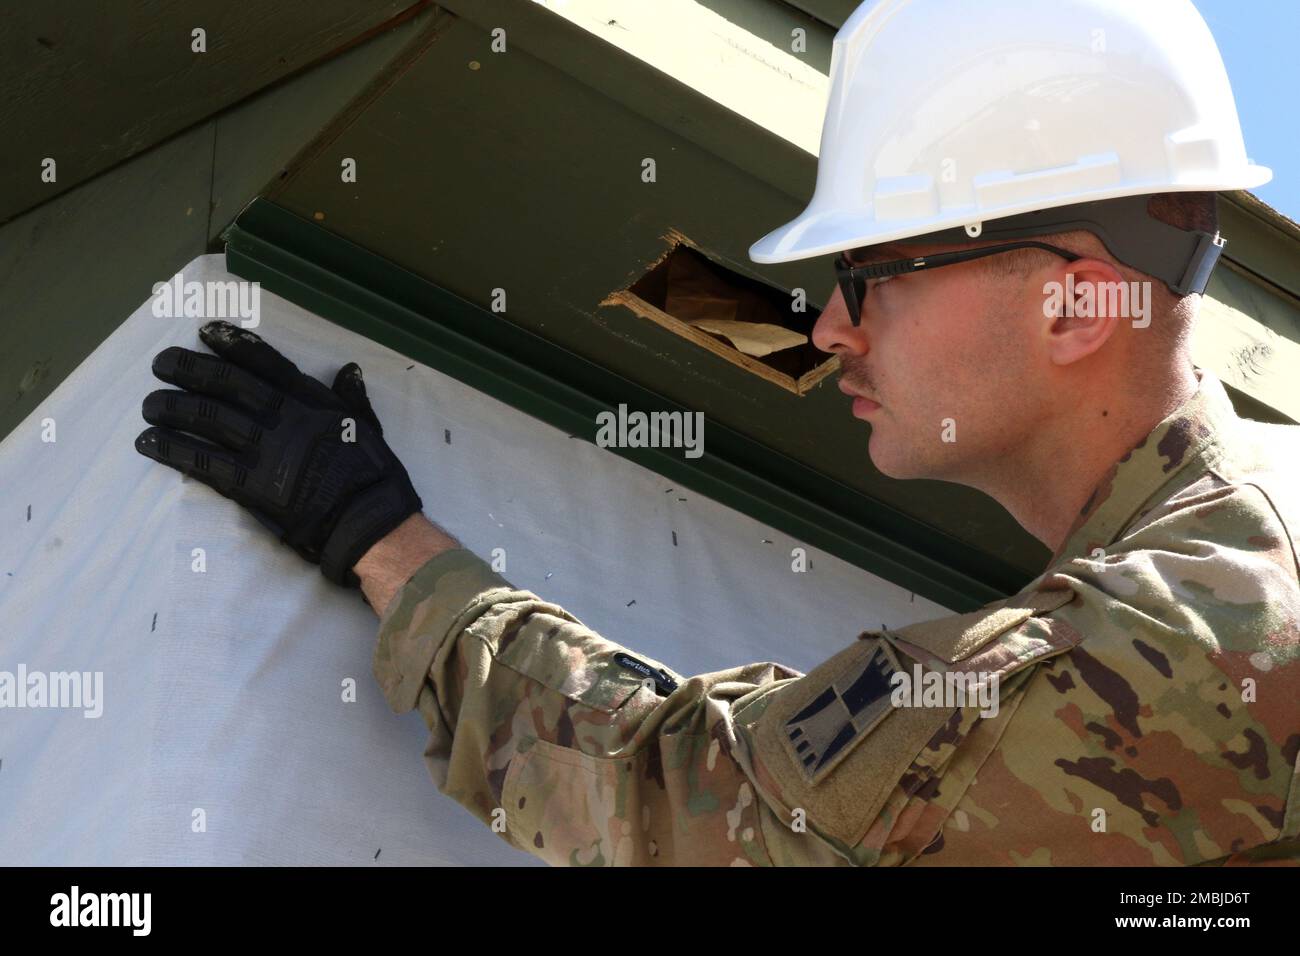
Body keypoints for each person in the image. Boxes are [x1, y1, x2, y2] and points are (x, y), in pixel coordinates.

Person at [135, 0, 1299, 865]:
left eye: (878, 271)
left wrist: (377, 536)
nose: (832, 326)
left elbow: (681, 797)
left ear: (1068, 300)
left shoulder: (1168, 640)